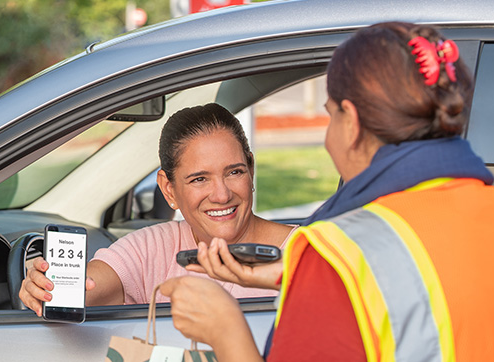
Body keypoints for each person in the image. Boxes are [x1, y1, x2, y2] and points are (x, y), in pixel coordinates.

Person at [160, 22, 494, 361]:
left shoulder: (340, 255)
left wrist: (225, 328)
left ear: (350, 122)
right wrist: (300, 277)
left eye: (330, 116)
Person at [18, 103, 296, 315]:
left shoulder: (309, 252)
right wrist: (47, 287)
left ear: (251, 168)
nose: (222, 195)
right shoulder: (154, 247)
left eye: (234, 172)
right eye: (200, 179)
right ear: (168, 190)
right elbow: (88, 287)